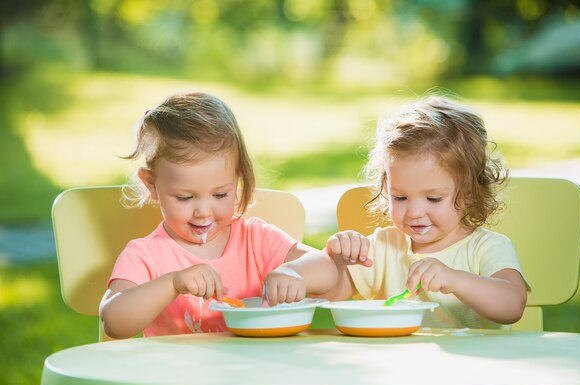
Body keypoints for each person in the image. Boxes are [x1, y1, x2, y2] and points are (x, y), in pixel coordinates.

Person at [99, 92, 335, 338]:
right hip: (177, 374)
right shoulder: (146, 255)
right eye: (185, 198)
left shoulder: (255, 240)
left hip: (258, 371)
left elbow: (328, 270)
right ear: (151, 184)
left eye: (221, 195)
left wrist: (293, 272)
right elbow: (114, 323)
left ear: (238, 181)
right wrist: (172, 283)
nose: (203, 212)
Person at [324, 95, 529, 329]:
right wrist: (334, 258)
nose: (414, 212)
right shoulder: (384, 248)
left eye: (433, 198)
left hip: (472, 364)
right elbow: (332, 288)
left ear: (470, 193)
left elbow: (513, 305)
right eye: (400, 197)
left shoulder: (486, 248)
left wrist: (456, 279)